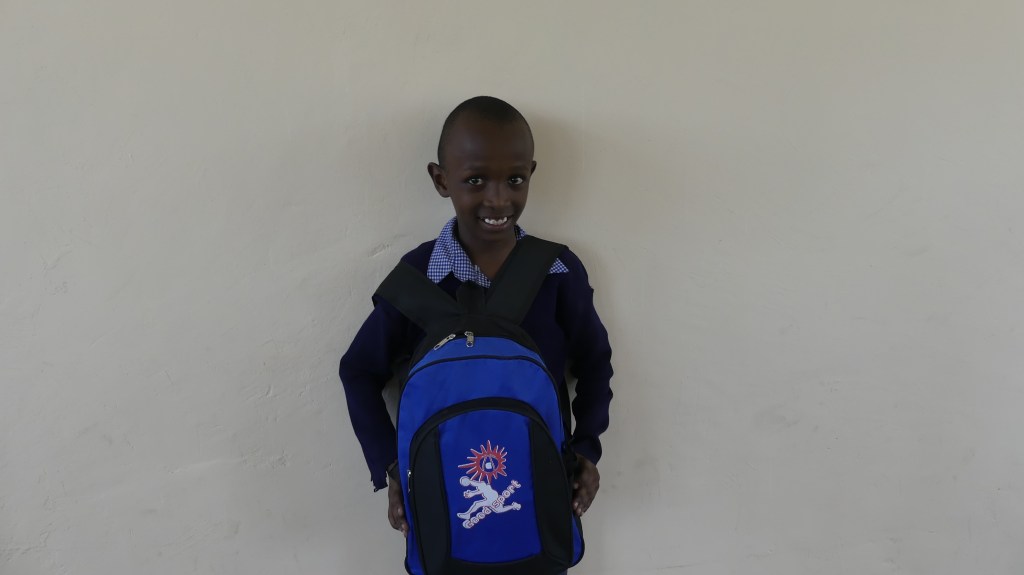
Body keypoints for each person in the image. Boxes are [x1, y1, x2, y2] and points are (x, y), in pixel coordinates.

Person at [338, 96, 613, 548]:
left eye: (515, 179)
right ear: (441, 179)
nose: (498, 198)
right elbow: (357, 371)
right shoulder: (416, 280)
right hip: (441, 499)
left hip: (540, 487)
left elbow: (595, 362)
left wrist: (587, 448)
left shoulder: (558, 272)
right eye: (475, 180)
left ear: (531, 173)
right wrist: (394, 467)